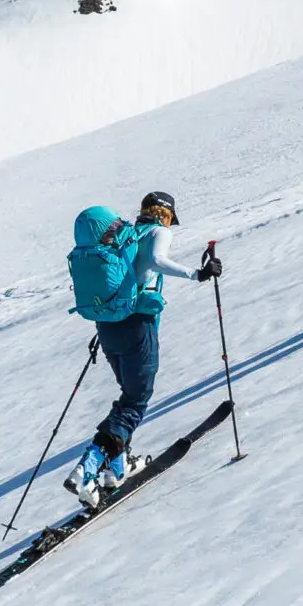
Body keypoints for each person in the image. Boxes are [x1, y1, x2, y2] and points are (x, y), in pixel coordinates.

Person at [64, 190, 220, 509]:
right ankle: (90, 464)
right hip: (138, 326)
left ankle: (116, 469)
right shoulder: (157, 232)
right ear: (166, 215)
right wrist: (199, 274)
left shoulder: (124, 235)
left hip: (108, 327)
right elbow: (158, 261)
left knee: (127, 397)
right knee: (136, 401)